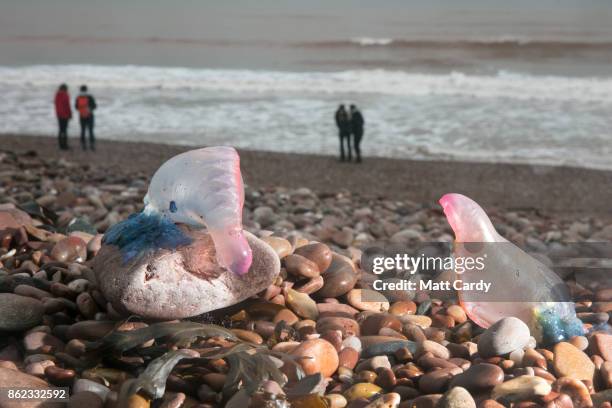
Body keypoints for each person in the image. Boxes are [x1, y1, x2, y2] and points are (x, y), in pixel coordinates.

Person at [75, 85, 97, 151]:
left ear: (80, 90)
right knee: (91, 131)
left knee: (83, 130)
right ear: (86, 90)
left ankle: (83, 145)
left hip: (82, 116)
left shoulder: (78, 97)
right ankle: (92, 145)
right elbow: (95, 106)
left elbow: (76, 107)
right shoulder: (90, 96)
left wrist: (82, 109)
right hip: (90, 115)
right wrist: (89, 109)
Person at [54, 84, 72, 150]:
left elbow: (56, 105)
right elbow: (67, 105)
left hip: (59, 114)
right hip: (65, 115)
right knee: (64, 130)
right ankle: (64, 145)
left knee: (60, 130)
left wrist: (57, 113)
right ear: (65, 89)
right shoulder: (65, 95)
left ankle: (60, 145)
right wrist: (70, 114)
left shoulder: (57, 95)